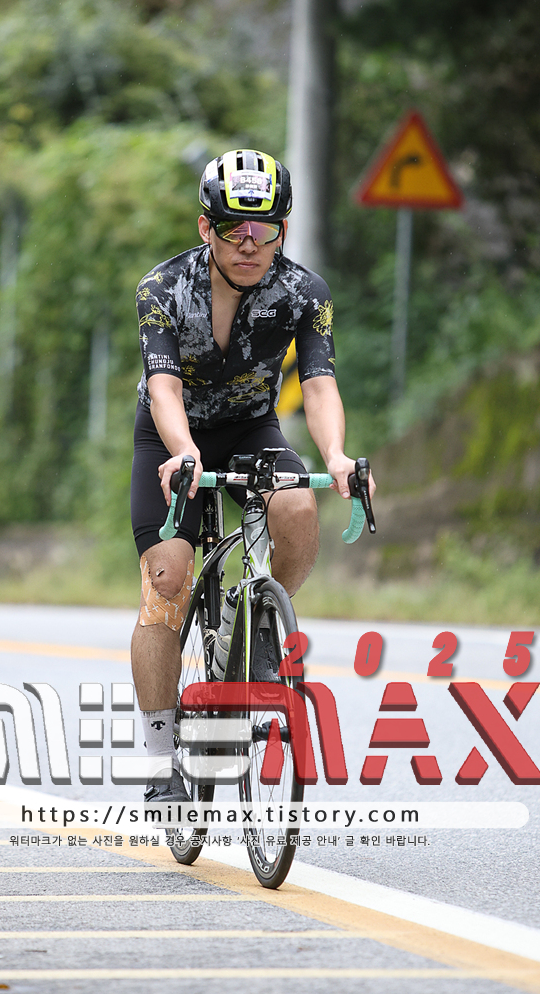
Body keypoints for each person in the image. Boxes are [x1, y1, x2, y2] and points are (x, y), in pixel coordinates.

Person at [131, 149, 375, 803]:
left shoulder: (304, 292)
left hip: (250, 429)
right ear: (205, 228)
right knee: (167, 581)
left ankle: (257, 625)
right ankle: (159, 761)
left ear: (282, 230)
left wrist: (336, 457)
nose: (248, 243)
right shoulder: (161, 289)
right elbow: (163, 386)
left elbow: (319, 385)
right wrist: (184, 451)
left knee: (296, 507)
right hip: (171, 435)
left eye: (263, 229)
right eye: (232, 229)